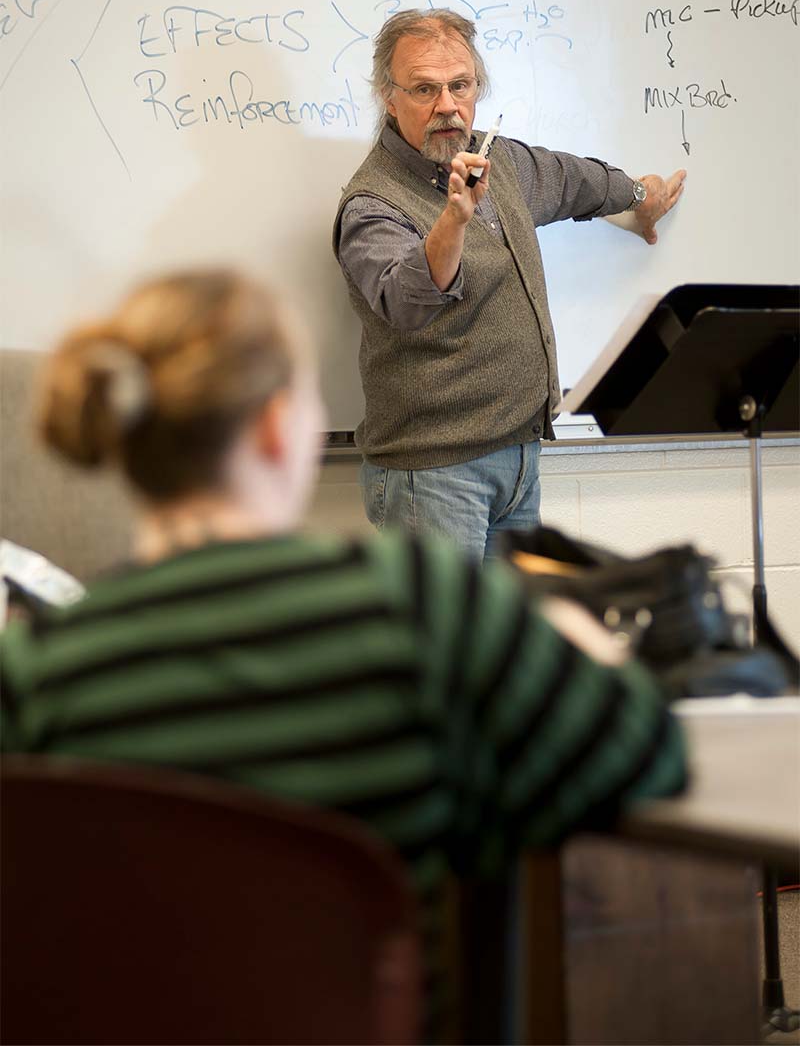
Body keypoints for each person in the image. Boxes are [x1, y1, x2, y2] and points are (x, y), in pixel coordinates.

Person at [0, 268, 687, 1035]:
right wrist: (580, 636)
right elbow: (645, 754)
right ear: (273, 426)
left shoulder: (36, 672)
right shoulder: (421, 604)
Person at [333, 8, 687, 558]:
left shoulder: (500, 161)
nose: (447, 105)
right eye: (424, 89)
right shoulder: (372, 204)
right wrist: (454, 218)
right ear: (389, 96)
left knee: (512, 640)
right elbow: (406, 300)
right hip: (433, 478)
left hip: (518, 461)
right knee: (449, 645)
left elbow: (576, 181)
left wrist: (639, 199)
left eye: (460, 85)